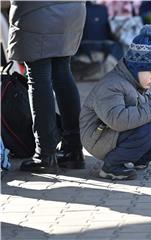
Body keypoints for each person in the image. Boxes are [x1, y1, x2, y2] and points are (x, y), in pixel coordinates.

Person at [80, 25, 151, 180]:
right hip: (97, 137)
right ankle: (111, 166)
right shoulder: (112, 85)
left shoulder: (138, 83)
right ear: (137, 68)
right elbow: (117, 120)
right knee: (149, 130)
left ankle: (134, 159)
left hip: (113, 134)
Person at [7, 1, 86, 173]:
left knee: (38, 78)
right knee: (63, 73)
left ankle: (44, 154)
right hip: (71, 11)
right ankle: (73, 150)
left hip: (36, 13)